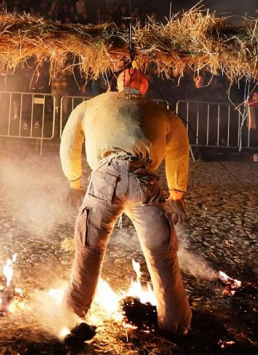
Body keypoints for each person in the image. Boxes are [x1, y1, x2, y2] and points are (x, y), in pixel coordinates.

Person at [59, 67, 192, 336]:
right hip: (144, 182)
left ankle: (71, 316)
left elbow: (69, 145)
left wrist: (75, 183)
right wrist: (177, 195)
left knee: (89, 247)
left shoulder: (91, 105)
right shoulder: (164, 113)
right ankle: (175, 324)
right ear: (144, 85)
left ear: (118, 83)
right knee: (161, 252)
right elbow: (179, 154)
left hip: (105, 180)